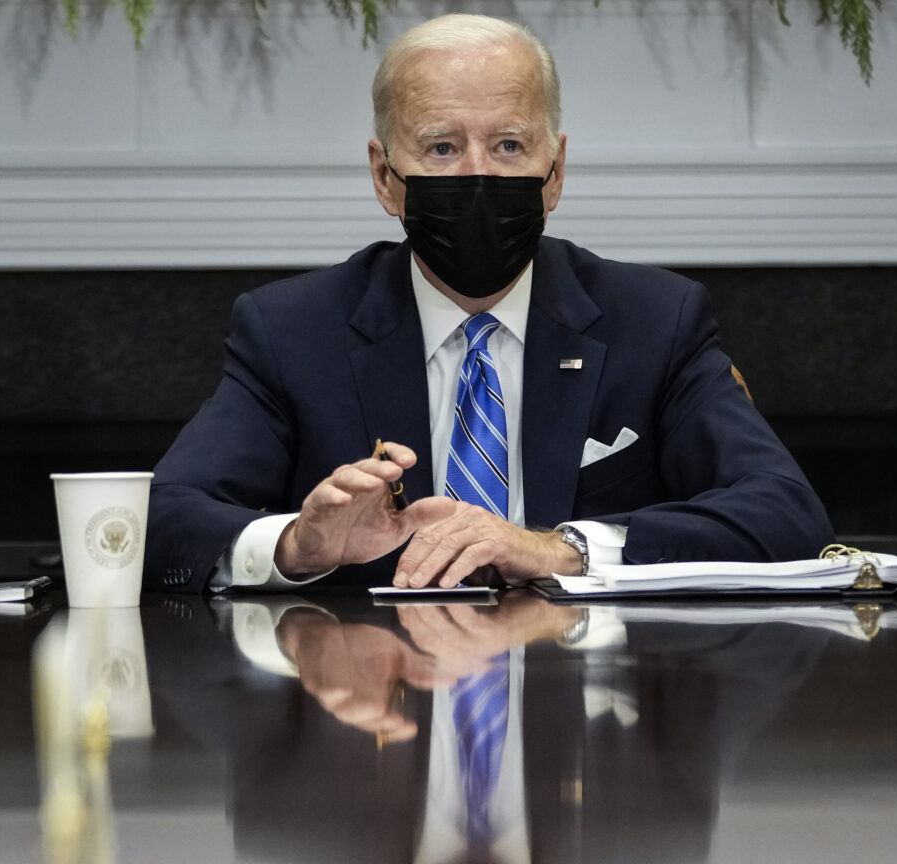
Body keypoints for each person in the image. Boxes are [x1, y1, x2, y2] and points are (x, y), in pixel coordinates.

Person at [146, 13, 832, 594]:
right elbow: (157, 520)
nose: (478, 173)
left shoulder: (655, 321)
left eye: (508, 146)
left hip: (588, 720)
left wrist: (561, 549)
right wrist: (296, 544)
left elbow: (786, 514)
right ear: (386, 177)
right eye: (442, 147)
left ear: (554, 172)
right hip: (376, 715)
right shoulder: (292, 331)